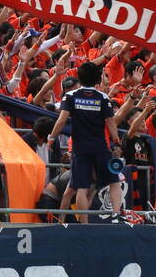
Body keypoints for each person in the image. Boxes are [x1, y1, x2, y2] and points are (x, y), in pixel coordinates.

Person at [47, 62, 122, 222]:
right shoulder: (103, 97)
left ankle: (85, 224)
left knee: (81, 187)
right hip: (100, 147)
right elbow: (110, 121)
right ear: (97, 79)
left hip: (80, 148)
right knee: (114, 181)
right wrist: (116, 141)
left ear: (79, 78)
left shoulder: (71, 96)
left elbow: (61, 121)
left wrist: (52, 138)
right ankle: (117, 216)